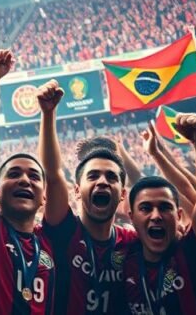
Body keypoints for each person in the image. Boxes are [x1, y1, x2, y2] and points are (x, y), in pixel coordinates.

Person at [38, 82, 135, 314]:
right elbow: (53, 175)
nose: (102, 181)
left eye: (111, 177)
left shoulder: (133, 243)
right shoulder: (64, 230)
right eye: (93, 176)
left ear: (122, 194)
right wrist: (48, 114)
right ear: (76, 190)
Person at [122, 113, 196, 314]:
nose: (156, 215)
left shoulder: (193, 250)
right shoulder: (124, 261)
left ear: (178, 215)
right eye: (146, 208)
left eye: (165, 207)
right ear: (131, 217)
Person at [0, 80, 60, 315]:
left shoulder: (53, 239)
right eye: (13, 174)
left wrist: (48, 114)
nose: (25, 180)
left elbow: (53, 175)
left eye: (34, 177)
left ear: (44, 197)